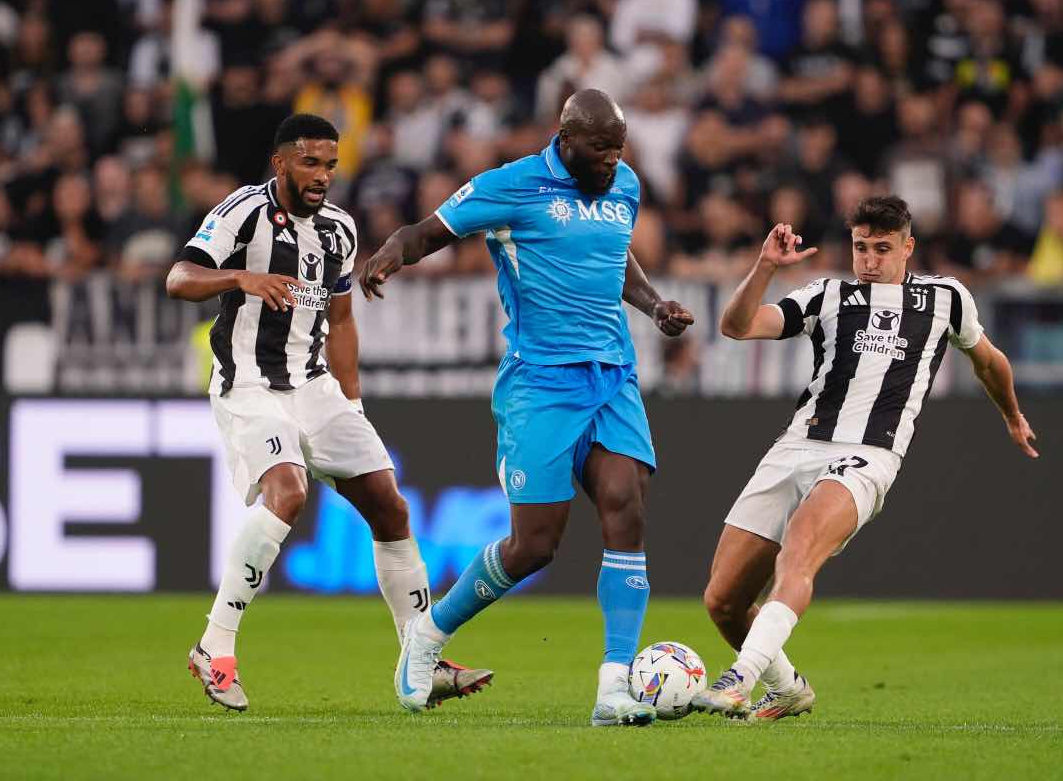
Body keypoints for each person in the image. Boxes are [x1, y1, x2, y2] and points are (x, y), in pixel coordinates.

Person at [359, 89, 695, 726]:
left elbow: (615, 254)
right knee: (534, 546)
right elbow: (426, 231)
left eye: (619, 148)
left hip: (613, 377)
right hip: (540, 384)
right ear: (566, 139)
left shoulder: (624, 186)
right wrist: (392, 254)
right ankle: (427, 636)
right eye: (601, 148)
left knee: (625, 506)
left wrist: (655, 306)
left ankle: (613, 688)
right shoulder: (511, 186)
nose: (613, 160)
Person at [165, 113, 491, 712]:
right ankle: (215, 646)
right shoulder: (242, 212)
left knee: (390, 505)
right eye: (310, 163)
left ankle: (421, 657)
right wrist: (241, 277)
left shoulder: (339, 230)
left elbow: (340, 321)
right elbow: (178, 278)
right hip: (249, 384)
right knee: (288, 491)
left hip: (316, 388)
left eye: (331, 165)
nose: (322, 176)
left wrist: (352, 403)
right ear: (281, 163)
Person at [692, 196, 1038, 720]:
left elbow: (989, 362)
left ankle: (739, 679)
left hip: (868, 456)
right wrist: (765, 267)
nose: (870, 260)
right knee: (723, 601)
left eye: (882, 248)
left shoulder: (946, 298)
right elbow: (738, 326)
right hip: (797, 445)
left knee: (799, 549)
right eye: (861, 248)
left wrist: (1012, 415)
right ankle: (788, 688)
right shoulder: (828, 294)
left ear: (907, 247)